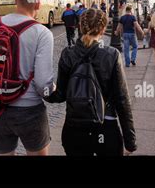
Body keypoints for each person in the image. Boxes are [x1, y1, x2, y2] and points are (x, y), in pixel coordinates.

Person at [0, 0, 55, 156]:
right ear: (38, 4)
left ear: (16, 0)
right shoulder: (42, 33)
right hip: (30, 110)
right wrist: (54, 90)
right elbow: (42, 84)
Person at [45, 8, 137, 156]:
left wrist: (45, 91)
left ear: (80, 26)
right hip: (106, 127)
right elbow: (122, 100)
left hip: (74, 130)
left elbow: (59, 96)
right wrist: (130, 141)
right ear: (102, 29)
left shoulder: (68, 54)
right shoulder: (111, 54)